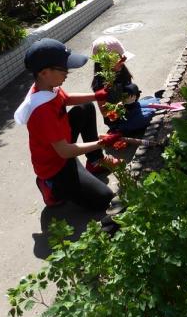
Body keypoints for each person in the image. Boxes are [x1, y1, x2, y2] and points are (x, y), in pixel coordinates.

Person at [14, 37, 122, 209]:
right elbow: (64, 152)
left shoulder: (47, 87)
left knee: (85, 107)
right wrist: (102, 142)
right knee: (104, 199)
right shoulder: (42, 110)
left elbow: (67, 99)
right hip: (56, 165)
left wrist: (97, 96)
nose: (67, 72)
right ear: (44, 72)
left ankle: (95, 162)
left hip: (61, 145)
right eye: (63, 68)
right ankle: (50, 186)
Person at [91, 36, 161, 135]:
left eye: (123, 58)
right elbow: (104, 112)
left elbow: (129, 90)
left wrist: (133, 95)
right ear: (105, 63)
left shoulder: (121, 71)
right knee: (151, 113)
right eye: (120, 59)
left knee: (158, 102)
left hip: (133, 107)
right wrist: (119, 105)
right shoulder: (101, 84)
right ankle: (117, 130)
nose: (123, 62)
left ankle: (146, 105)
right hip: (120, 121)